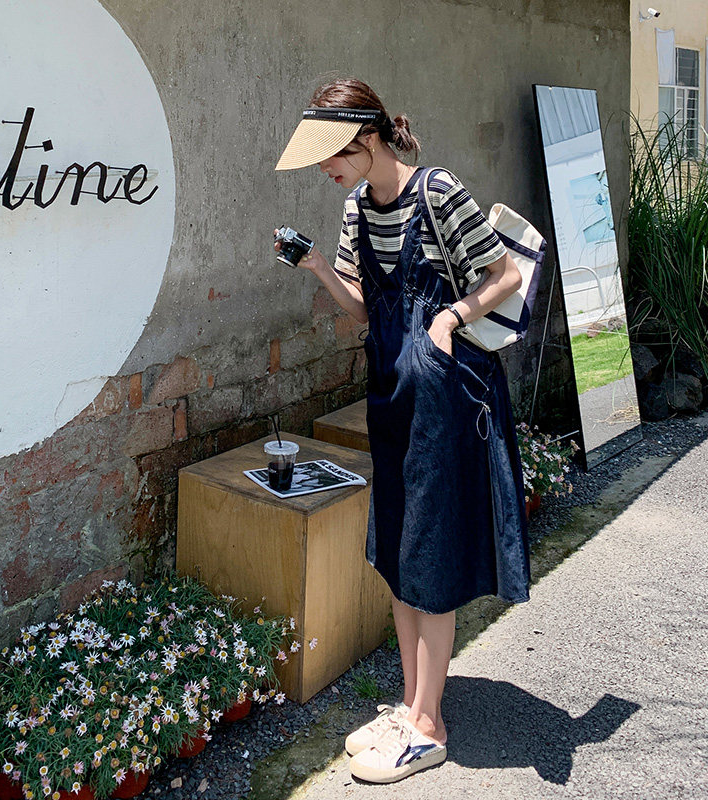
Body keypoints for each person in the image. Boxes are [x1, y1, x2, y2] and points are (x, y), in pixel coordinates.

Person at [274, 78, 531, 784]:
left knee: (429, 552)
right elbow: (363, 311)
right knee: (394, 546)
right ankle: (412, 705)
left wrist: (448, 318)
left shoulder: (438, 191)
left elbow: (505, 273)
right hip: (389, 389)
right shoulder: (358, 206)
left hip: (446, 394)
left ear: (367, 138)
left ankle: (429, 723)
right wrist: (318, 266)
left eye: (332, 153)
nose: (326, 170)